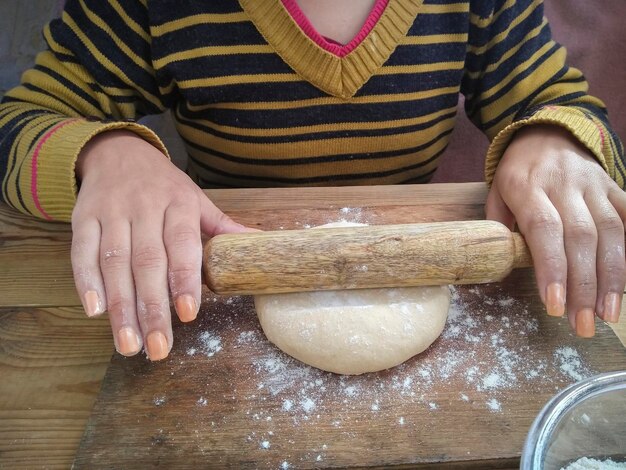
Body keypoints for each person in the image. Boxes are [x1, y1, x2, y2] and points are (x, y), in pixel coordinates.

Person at [1, 0, 624, 361]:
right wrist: (106, 153)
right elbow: (18, 123)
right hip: (213, 260)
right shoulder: (144, 10)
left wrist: (553, 138)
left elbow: (557, 98)